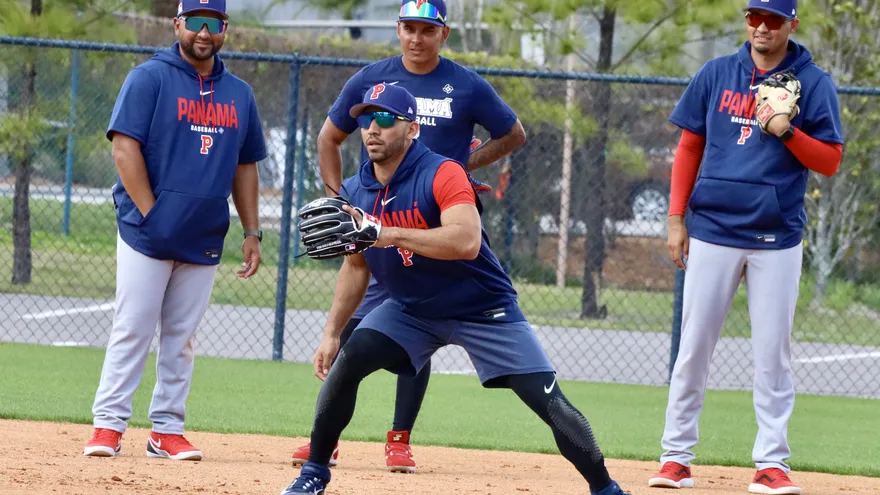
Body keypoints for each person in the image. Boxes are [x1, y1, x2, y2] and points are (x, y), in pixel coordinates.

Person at [280, 84, 631, 495]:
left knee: (546, 400)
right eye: (365, 119)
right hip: (412, 309)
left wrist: (386, 233)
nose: (372, 129)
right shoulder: (357, 191)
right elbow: (356, 267)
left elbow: (465, 241)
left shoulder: (443, 173)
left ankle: (606, 488)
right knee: (350, 356)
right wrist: (331, 333)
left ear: (412, 129)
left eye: (385, 119)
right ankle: (314, 474)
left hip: (483, 307)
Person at [290, 0, 527, 473]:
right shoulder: (371, 80)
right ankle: (326, 436)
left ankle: (399, 437)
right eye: (408, 28)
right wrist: (341, 201)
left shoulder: (466, 85)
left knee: (420, 322)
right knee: (354, 325)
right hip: (379, 224)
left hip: (437, 226)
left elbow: (513, 133)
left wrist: (463, 165)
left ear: (444, 33)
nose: (416, 38)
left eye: (427, 29)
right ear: (397, 30)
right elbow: (328, 138)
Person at [650, 0, 843, 493]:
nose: (761, 27)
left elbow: (830, 161)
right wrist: (676, 220)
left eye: (773, 19)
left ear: (791, 24)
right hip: (713, 228)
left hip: (776, 237)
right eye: (753, 17)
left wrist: (788, 131)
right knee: (693, 348)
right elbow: (689, 146)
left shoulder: (814, 82)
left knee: (772, 355)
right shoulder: (717, 73)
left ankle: (772, 464)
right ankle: (675, 457)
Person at [82, 0, 267, 461]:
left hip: (203, 232)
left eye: (215, 23)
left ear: (225, 29)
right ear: (178, 24)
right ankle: (108, 424)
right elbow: (124, 149)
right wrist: (151, 213)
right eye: (197, 22)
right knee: (133, 326)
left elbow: (246, 167)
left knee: (182, 337)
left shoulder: (239, 94)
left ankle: (165, 429)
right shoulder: (149, 78)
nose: (205, 33)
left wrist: (251, 230)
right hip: (146, 229)